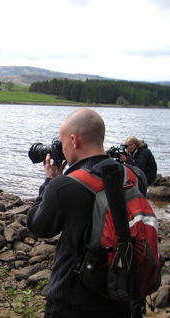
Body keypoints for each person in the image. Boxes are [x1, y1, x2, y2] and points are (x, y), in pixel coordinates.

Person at [26, 108, 146, 317]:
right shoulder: (135, 176)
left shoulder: (64, 186)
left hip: (73, 301)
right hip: (122, 292)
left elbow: (37, 227)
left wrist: (49, 182)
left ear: (74, 140)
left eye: (62, 142)